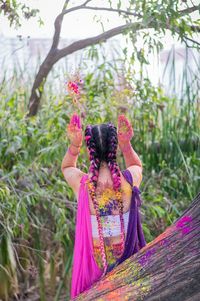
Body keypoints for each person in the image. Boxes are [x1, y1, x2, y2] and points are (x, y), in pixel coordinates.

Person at [61, 113, 146, 299]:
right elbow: (137, 165)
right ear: (113, 148)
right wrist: (127, 146)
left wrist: (74, 146)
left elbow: (66, 167)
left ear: (89, 150)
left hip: (94, 278)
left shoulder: (82, 185)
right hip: (128, 272)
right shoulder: (130, 180)